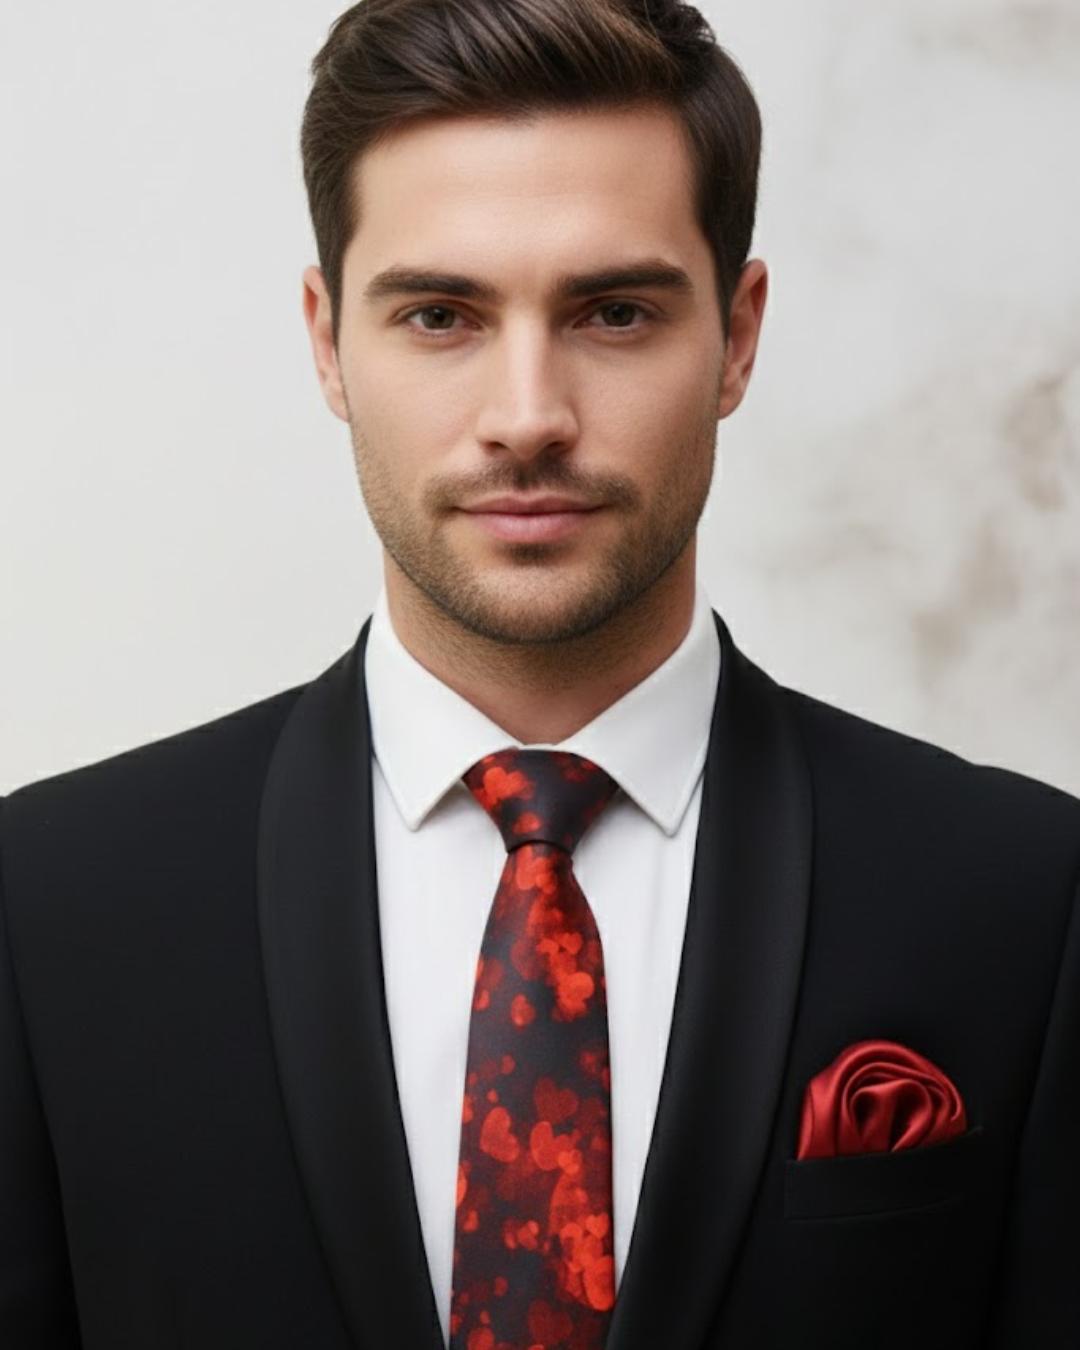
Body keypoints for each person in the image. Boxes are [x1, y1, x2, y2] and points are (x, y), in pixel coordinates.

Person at [1, 0, 1077, 1345]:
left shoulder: (1028, 898)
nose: (527, 416)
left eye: (614, 311)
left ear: (738, 337)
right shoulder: (44, 908)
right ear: (328, 339)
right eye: (442, 313)